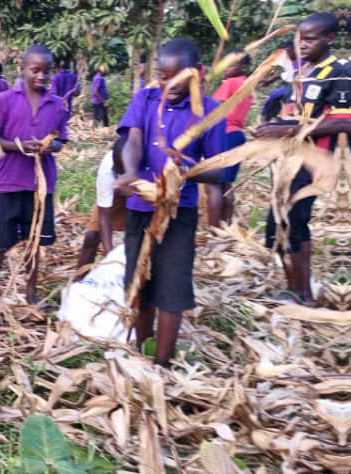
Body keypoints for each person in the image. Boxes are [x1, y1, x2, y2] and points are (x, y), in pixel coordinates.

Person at [114, 38, 229, 367]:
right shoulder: (146, 98)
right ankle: (140, 350)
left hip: (179, 213)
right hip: (141, 209)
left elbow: (219, 168)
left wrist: (184, 172)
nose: (169, 84)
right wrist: (133, 174)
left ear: (200, 73)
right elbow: (133, 138)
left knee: (172, 289)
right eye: (163, 77)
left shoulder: (209, 111)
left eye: (177, 77)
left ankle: (162, 365)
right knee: (140, 284)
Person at [254, 12, 349, 306]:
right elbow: (303, 116)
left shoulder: (341, 71)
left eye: (310, 39)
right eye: (300, 39)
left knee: (290, 222)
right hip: (291, 159)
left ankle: (299, 294)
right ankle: (300, 290)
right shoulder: (303, 71)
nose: (303, 45)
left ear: (329, 38)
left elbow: (345, 123)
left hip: (315, 160)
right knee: (286, 223)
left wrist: (288, 129)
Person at [0, 45, 70, 303]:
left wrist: (49, 146)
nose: (42, 76)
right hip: (8, 181)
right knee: (0, 243)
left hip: (40, 185)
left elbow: (60, 139)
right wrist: (19, 146)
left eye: (47, 71)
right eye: (35, 70)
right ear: (22, 69)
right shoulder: (5, 100)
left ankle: (30, 292)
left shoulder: (56, 105)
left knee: (34, 241)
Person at [207, 51, 252, 227]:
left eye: (231, 65)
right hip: (237, 134)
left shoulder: (231, 83)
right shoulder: (246, 84)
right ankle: (226, 227)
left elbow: (214, 109)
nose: (225, 69)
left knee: (213, 185)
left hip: (224, 133)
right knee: (226, 184)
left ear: (243, 67)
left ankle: (214, 231)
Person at [76, 135, 128, 273]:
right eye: (119, 172)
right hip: (118, 194)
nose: (121, 177)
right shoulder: (107, 167)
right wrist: (110, 257)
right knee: (91, 237)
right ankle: (79, 281)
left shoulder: (150, 163)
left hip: (145, 195)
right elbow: (104, 217)